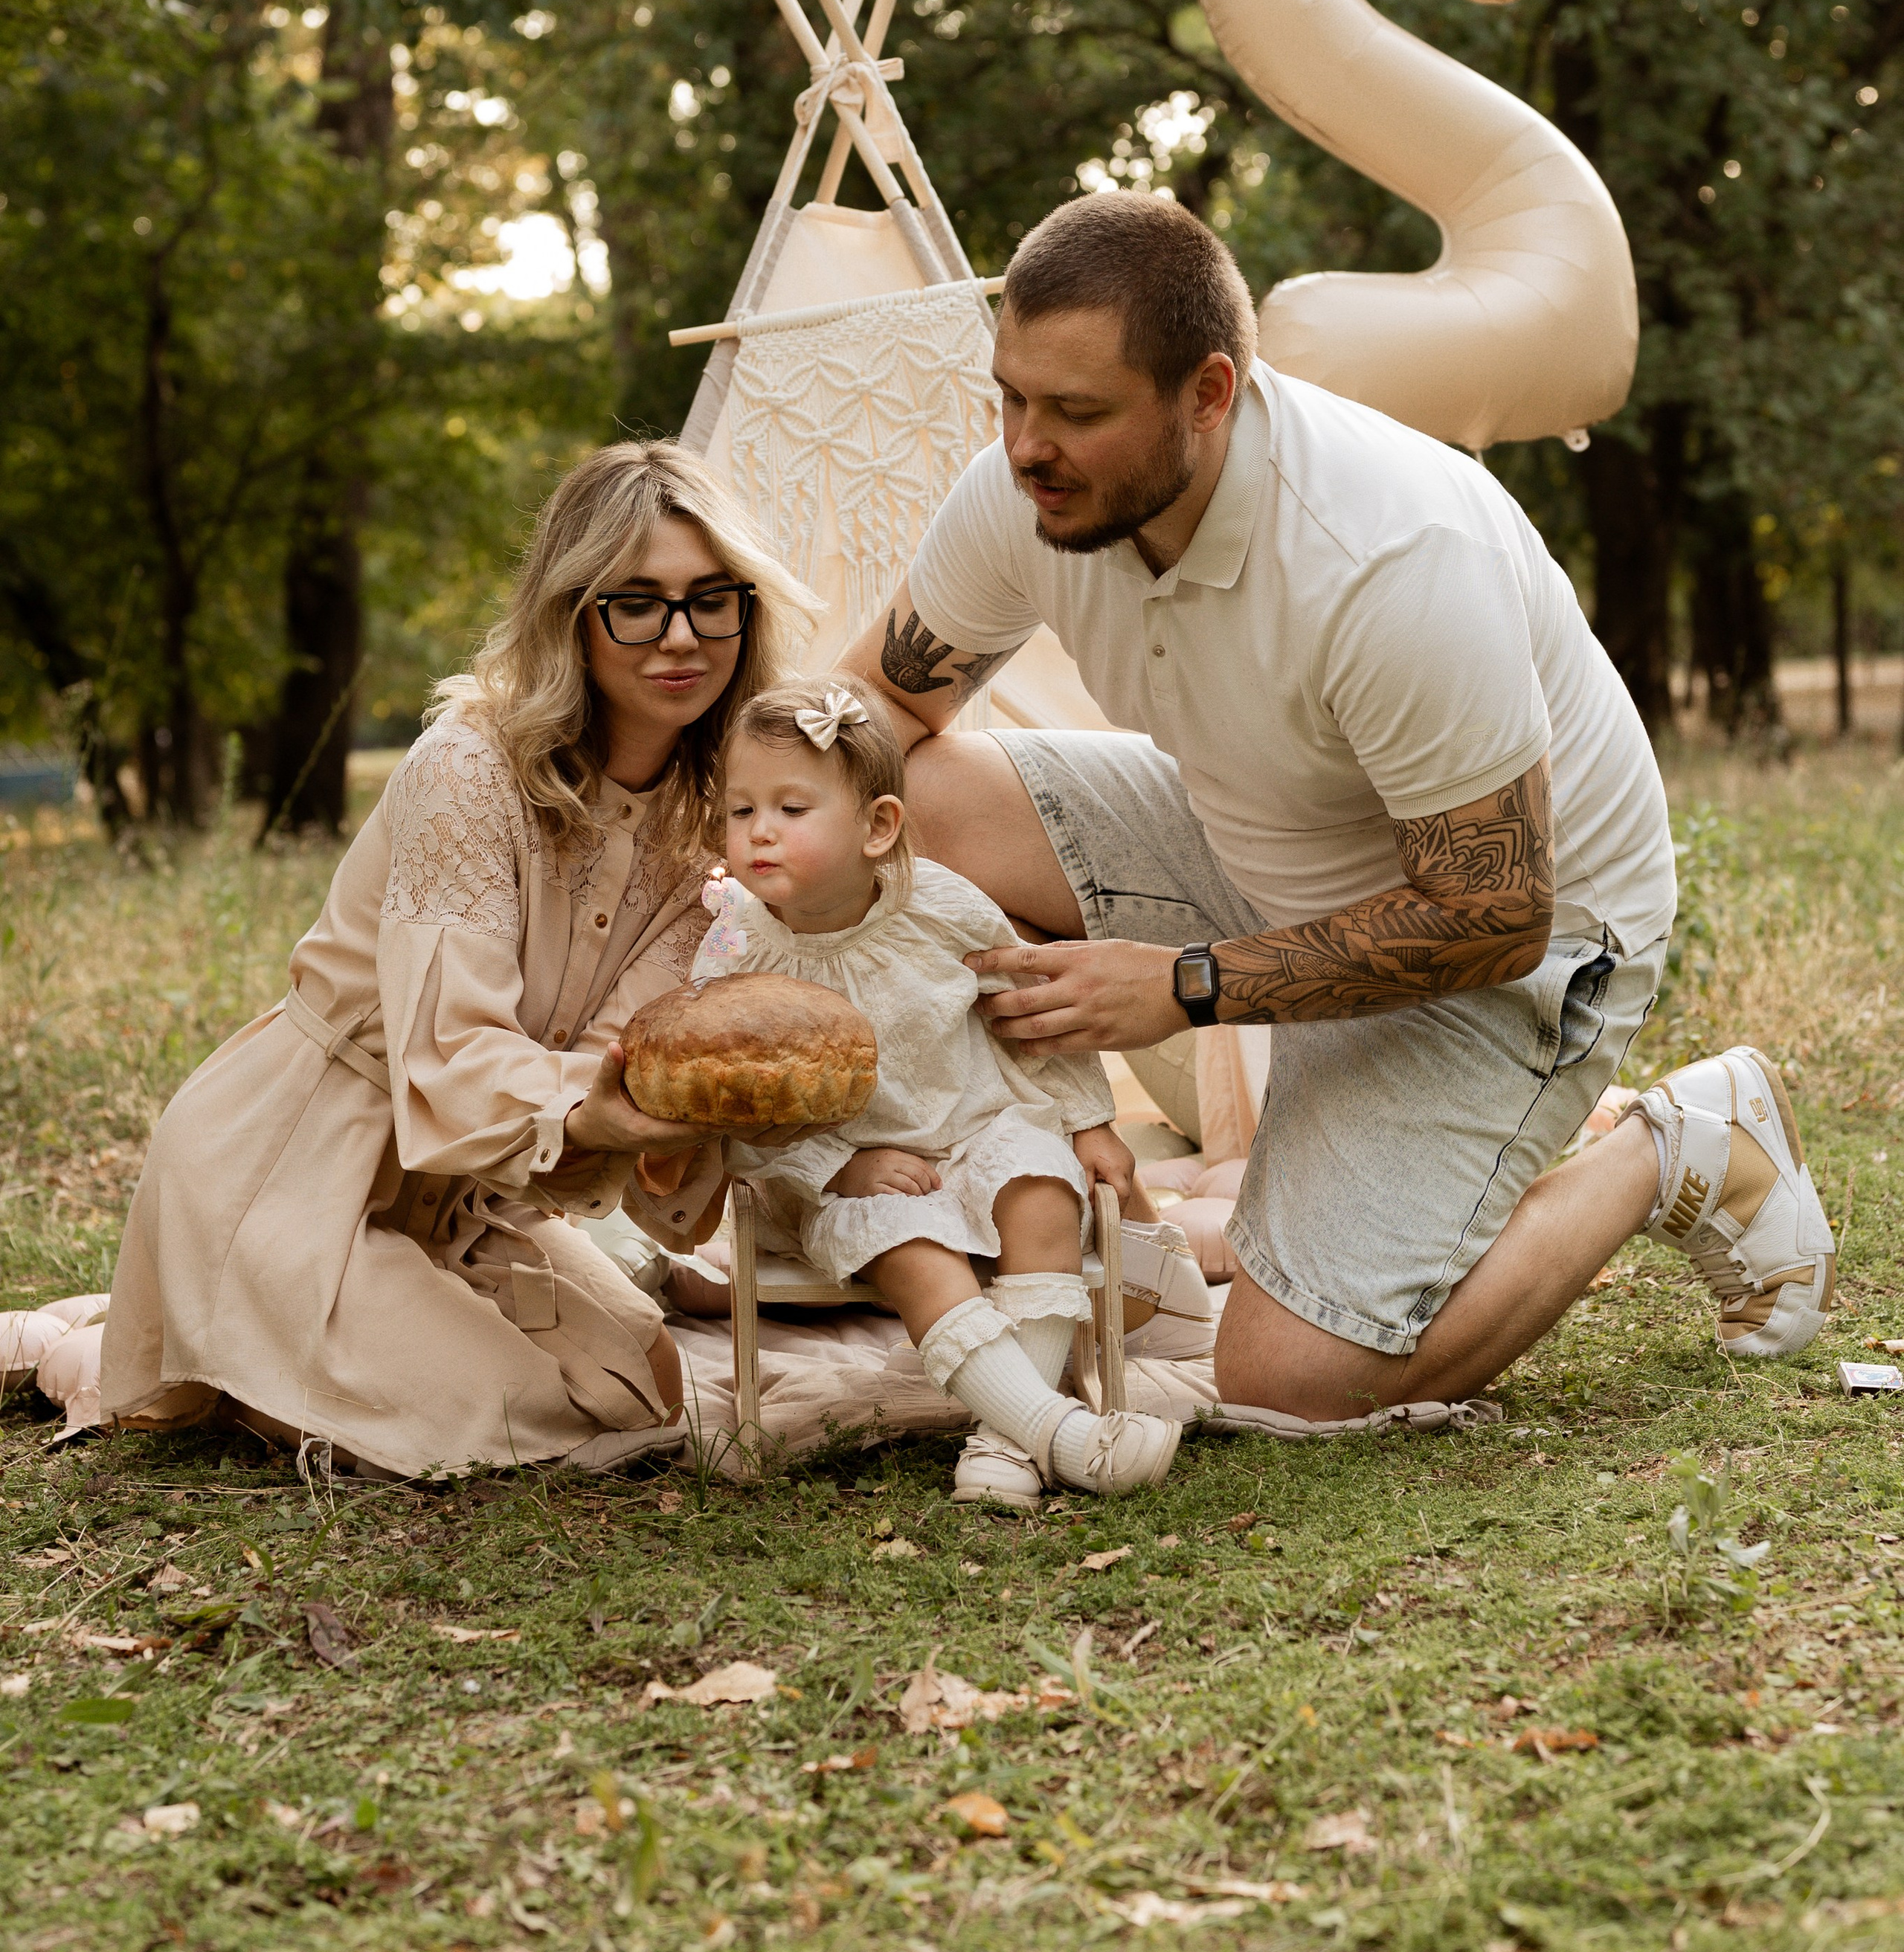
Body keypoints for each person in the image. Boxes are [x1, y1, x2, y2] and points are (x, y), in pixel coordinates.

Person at [840, 197, 1836, 1421]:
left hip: (1520, 943)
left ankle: (1674, 1140)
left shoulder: (1390, 557)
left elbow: (1492, 911)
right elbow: (872, 707)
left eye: (1079, 412)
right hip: (1259, 837)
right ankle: (981, 1162)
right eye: (1012, 397)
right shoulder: (1031, 491)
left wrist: (1187, 983)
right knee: (902, 792)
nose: (1027, 446)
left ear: (1209, 392)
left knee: (1291, 1379)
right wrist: (741, 866)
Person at [99, 442, 818, 1479]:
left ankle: (265, 1357)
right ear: (574, 614)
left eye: (713, 600)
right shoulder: (468, 767)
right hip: (303, 1162)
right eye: (637, 603)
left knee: (644, 1385)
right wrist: (591, 1112)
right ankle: (186, 1347)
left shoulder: (716, 822)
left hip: (475, 1192)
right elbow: (451, 1055)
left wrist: (678, 1112)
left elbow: (637, 1057)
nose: (680, 637)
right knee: (511, 1421)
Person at [701, 674, 1185, 1504]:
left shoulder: (944, 907)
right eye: (741, 811)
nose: (760, 833)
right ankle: (1061, 1434)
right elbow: (734, 1099)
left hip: (982, 1121)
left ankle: (1005, 1442)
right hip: (847, 1161)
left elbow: (1031, 1009)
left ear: (878, 827)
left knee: (1042, 1193)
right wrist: (836, 1168)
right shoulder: (736, 949)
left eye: (791, 808)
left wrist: (1091, 1119)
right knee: (916, 1254)